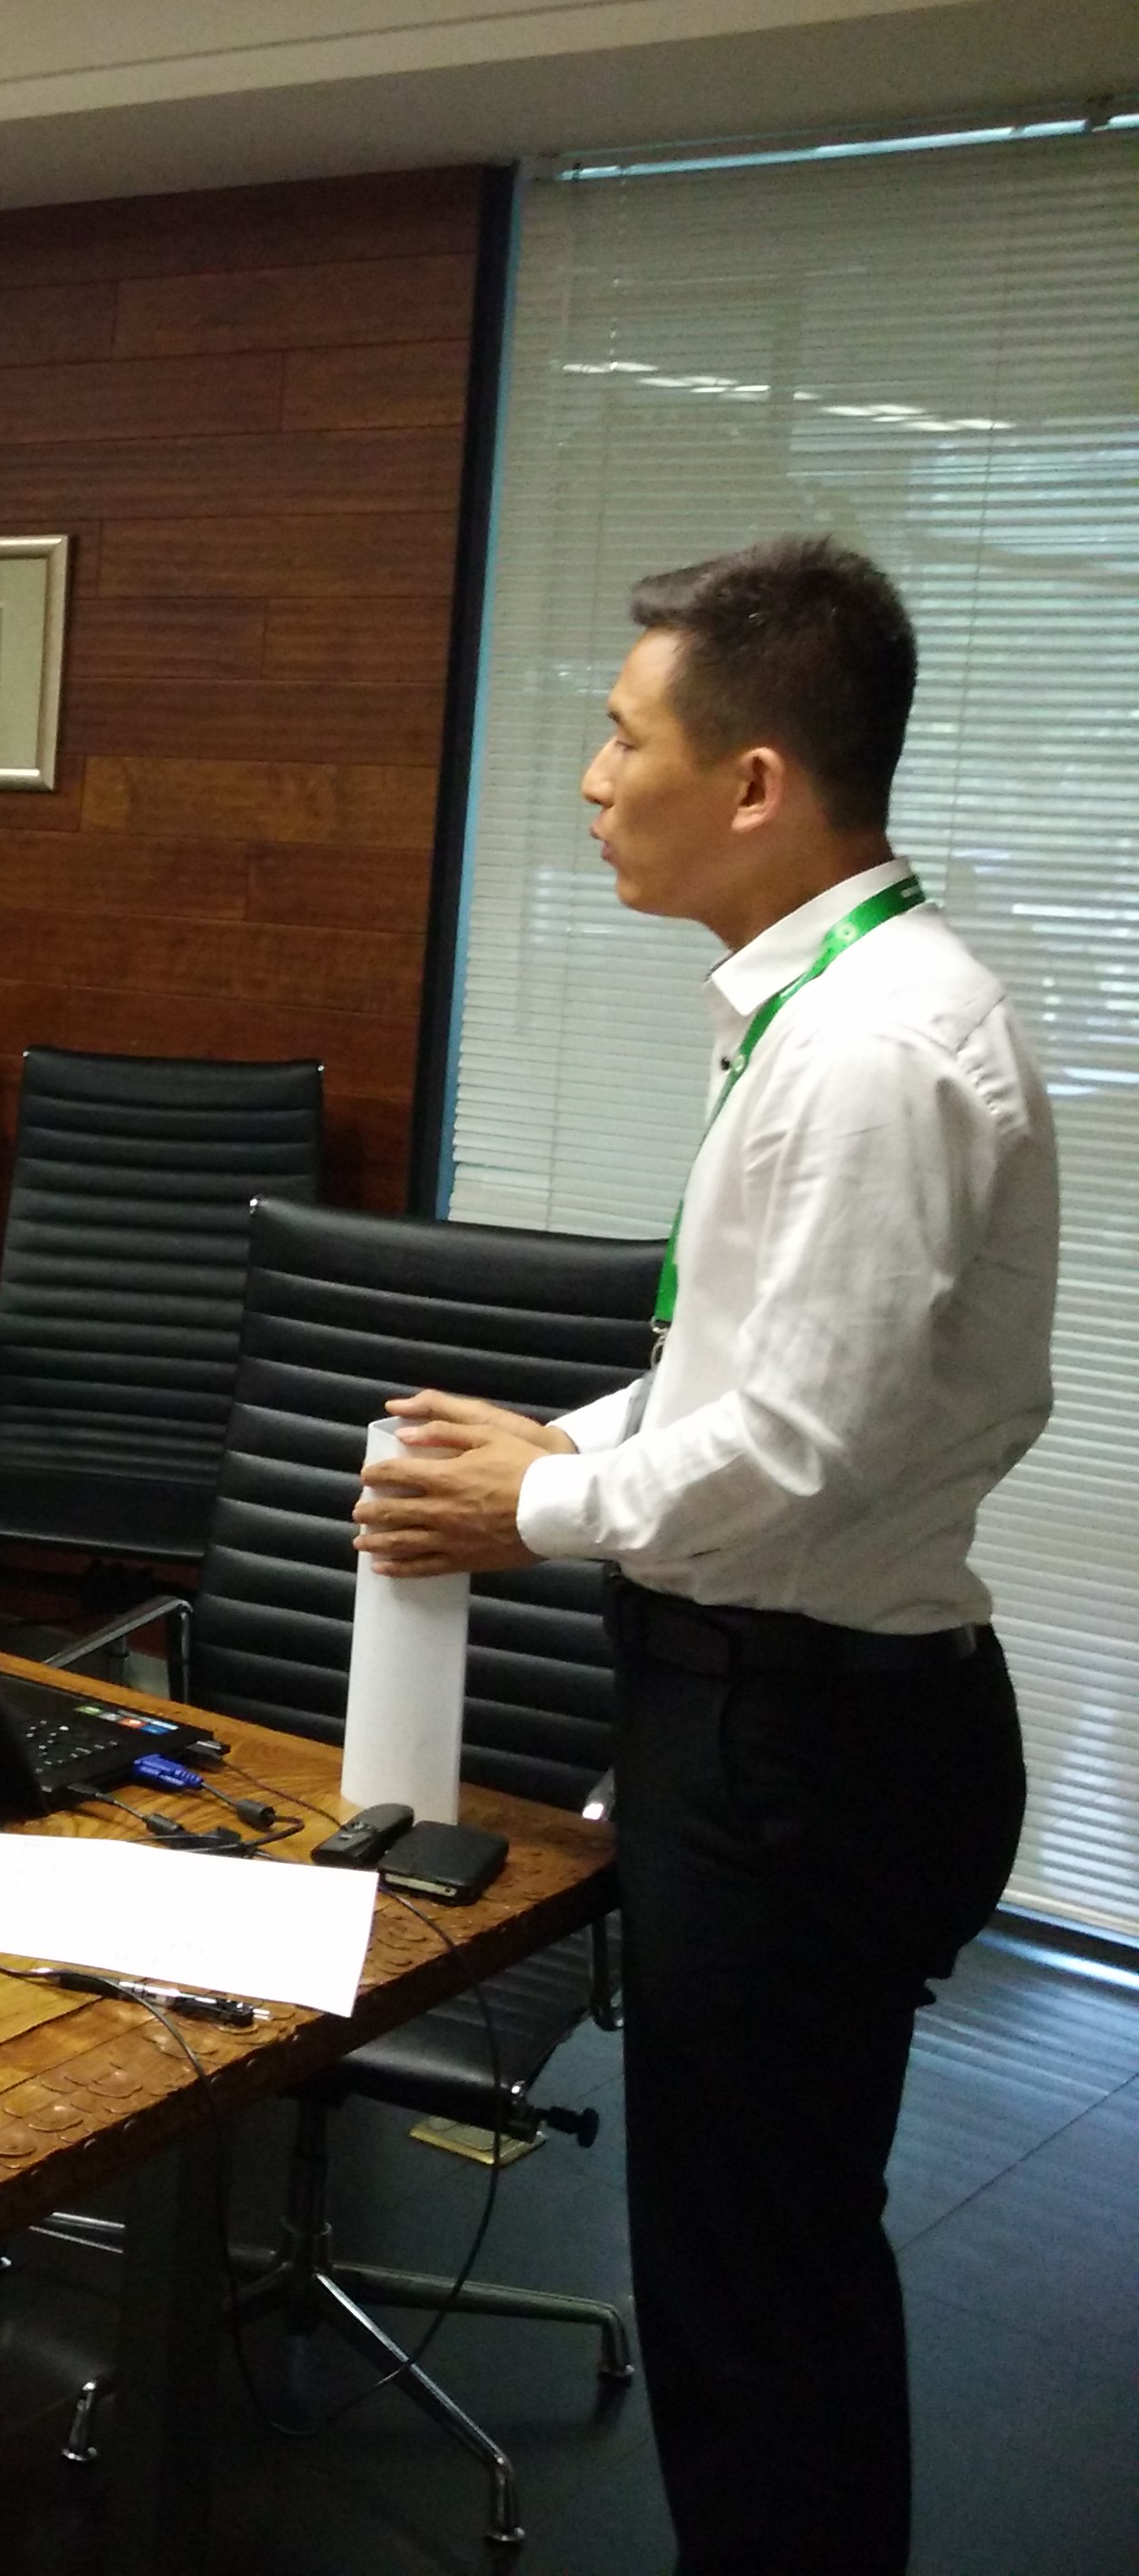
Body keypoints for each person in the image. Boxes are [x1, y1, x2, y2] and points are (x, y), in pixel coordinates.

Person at [355, 537, 1053, 2576]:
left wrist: (530, 1510)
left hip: (802, 1748)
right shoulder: (827, 1006)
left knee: (758, 2307)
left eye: (620, 737)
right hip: (779, 1717)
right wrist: (566, 1439)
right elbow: (742, 1370)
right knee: (755, 2274)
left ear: (751, 781)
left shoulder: (867, 1055)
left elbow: (800, 1456)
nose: (589, 778)